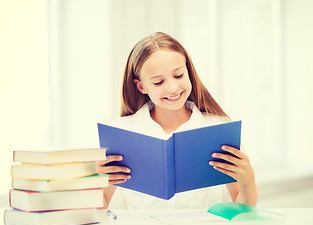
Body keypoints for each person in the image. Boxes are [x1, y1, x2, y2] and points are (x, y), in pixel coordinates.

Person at [96, 32, 257, 209]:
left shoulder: (218, 128)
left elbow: (243, 210)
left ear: (188, 71)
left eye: (178, 75)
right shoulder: (122, 135)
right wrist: (95, 180)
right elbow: (99, 209)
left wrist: (247, 181)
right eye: (158, 82)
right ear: (141, 86)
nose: (172, 88)